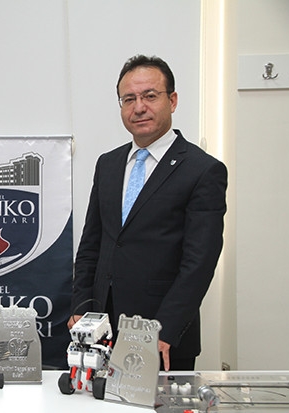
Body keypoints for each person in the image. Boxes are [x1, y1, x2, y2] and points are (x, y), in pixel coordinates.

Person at [69, 55, 227, 371]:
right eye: (129, 99)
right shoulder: (108, 164)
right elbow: (92, 245)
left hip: (162, 337)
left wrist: (166, 328)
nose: (139, 107)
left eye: (150, 96)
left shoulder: (202, 170)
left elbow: (199, 262)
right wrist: (82, 306)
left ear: (173, 100)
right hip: (101, 330)